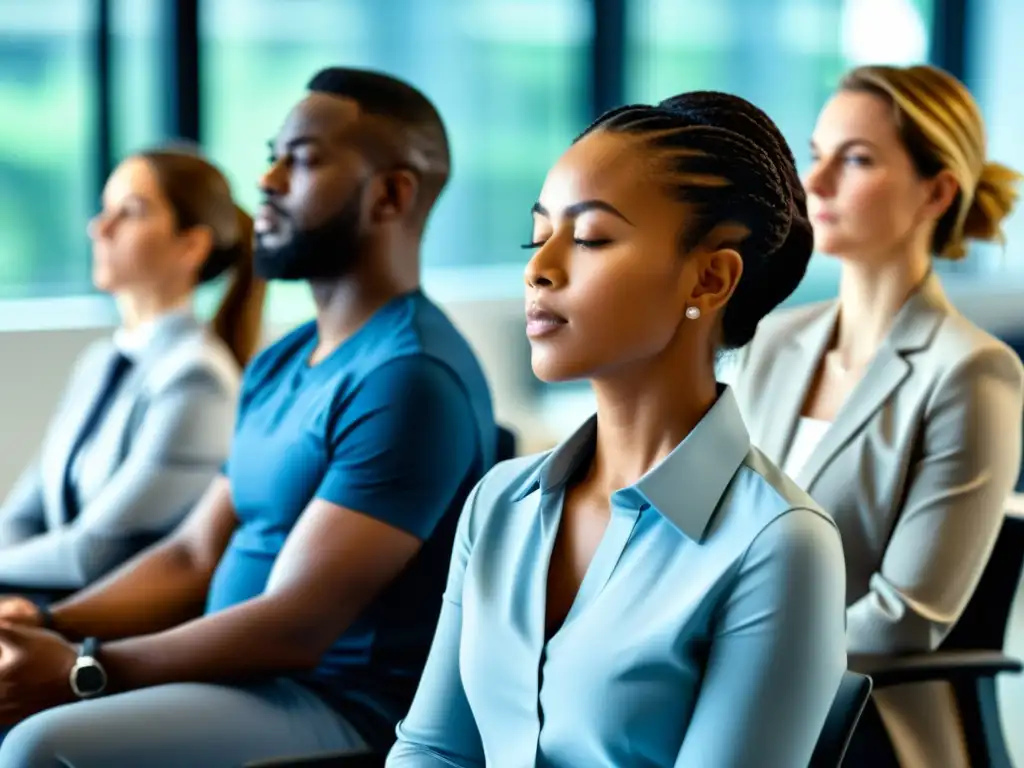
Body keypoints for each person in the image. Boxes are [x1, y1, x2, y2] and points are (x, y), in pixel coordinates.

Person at [0, 67, 496, 767]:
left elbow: (295, 626)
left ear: (390, 194)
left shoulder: (409, 377)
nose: (265, 182)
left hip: (337, 703)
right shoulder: (281, 360)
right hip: (245, 678)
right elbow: (191, 555)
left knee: (39, 746)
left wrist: (83, 663)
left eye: (301, 160)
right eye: (272, 156)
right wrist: (45, 619)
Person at [387, 91, 847, 768]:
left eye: (592, 238)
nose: (538, 269)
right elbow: (431, 749)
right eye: (537, 235)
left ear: (711, 278)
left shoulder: (779, 545)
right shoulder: (499, 502)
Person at [723, 64, 1024, 767]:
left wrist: (736, 646)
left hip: (865, 726)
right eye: (816, 155)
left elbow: (903, 620)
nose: (816, 184)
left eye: (854, 160)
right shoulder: (773, 340)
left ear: (937, 191)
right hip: (742, 704)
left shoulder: (971, 371)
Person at [0, 147, 263, 598]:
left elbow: (94, 554)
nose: (100, 228)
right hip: (43, 612)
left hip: (112, 635)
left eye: (131, 212)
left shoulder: (198, 379)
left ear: (192, 245)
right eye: (105, 210)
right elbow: (24, 514)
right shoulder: (100, 362)